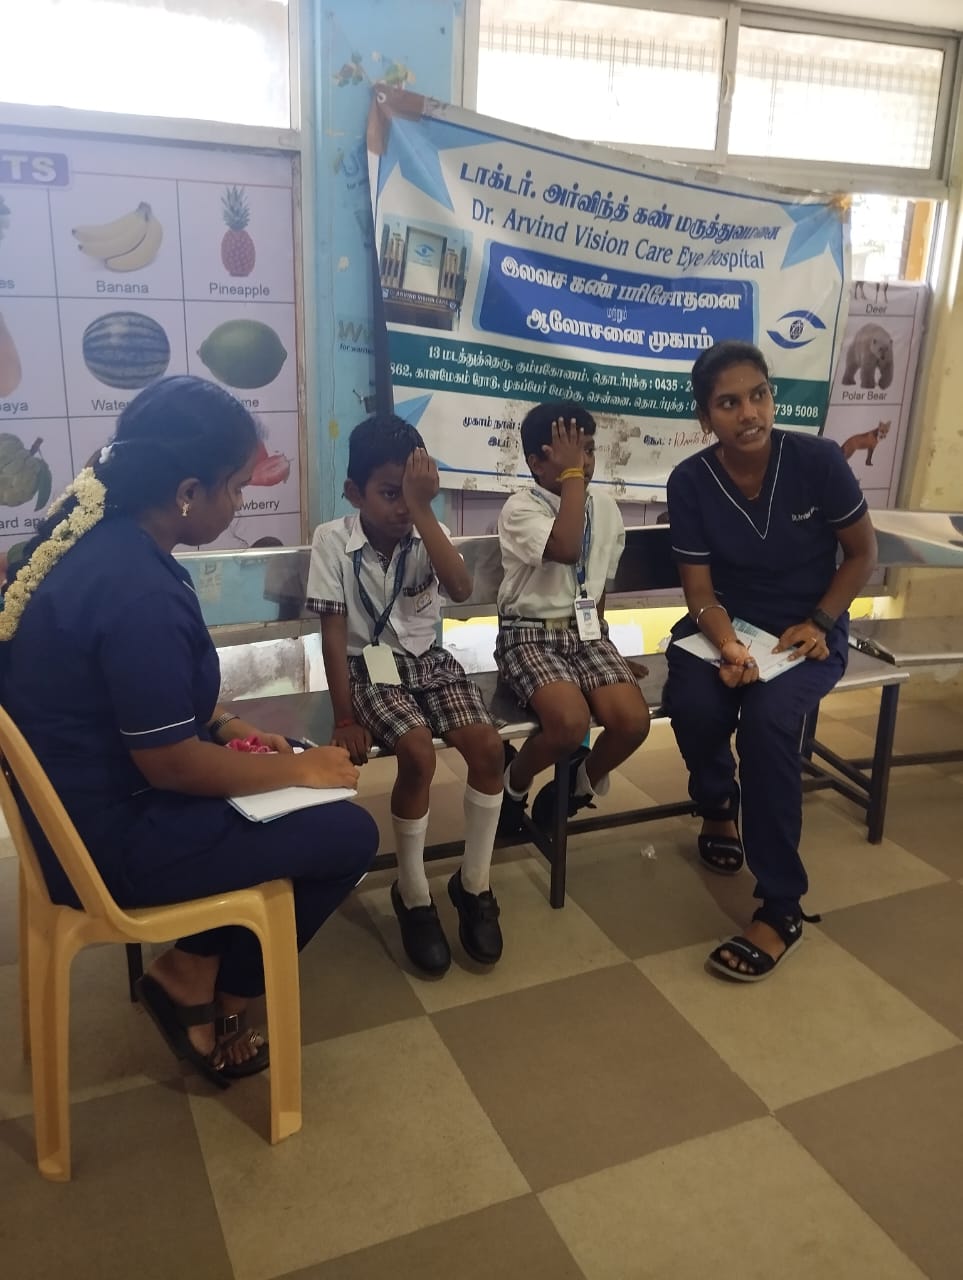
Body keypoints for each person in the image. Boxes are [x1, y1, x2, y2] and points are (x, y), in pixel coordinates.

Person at [0, 376, 378, 1085]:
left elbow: (132, 688)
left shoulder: (95, 542)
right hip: (110, 842)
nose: (238, 505)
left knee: (286, 796)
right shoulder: (138, 590)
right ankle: (209, 987)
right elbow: (171, 764)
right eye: (234, 488)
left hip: (75, 811)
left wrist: (230, 723)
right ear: (186, 492)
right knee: (347, 834)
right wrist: (299, 769)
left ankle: (197, 962)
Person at [663, 340, 877, 982]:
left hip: (805, 632)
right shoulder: (691, 482)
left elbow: (861, 554)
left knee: (767, 723)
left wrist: (821, 621)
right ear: (705, 417)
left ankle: (781, 906)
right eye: (729, 403)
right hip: (723, 625)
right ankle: (716, 805)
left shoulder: (816, 462)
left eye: (758, 395)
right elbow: (700, 592)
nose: (749, 413)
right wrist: (727, 644)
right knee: (693, 703)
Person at [306, 414, 505, 976]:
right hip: (370, 670)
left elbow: (461, 589)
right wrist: (344, 716)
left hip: (429, 661)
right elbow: (333, 634)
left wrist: (423, 511)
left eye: (412, 493)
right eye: (389, 494)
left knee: (489, 749)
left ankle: (474, 883)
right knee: (417, 753)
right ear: (355, 493)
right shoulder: (333, 541)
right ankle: (414, 894)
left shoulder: (423, 529)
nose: (401, 507)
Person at [495, 402, 650, 834]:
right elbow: (566, 549)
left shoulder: (605, 507)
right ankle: (513, 784)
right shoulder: (521, 508)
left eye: (588, 450)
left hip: (585, 637)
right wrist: (572, 478)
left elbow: (597, 583)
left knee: (633, 722)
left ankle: (578, 786)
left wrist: (603, 642)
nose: (583, 462)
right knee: (568, 724)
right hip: (529, 636)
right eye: (568, 454)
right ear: (536, 462)